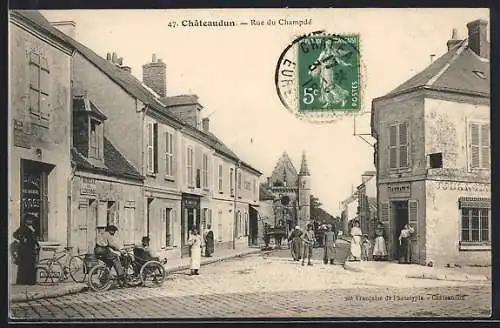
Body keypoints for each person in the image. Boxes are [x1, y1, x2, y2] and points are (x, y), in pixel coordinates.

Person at [309, 38, 352, 108]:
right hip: (323, 71)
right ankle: (328, 102)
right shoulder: (323, 53)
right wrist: (312, 69)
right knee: (324, 87)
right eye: (326, 44)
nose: (327, 45)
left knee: (330, 86)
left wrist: (346, 64)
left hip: (329, 71)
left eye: (329, 44)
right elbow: (318, 61)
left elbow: (339, 61)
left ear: (331, 44)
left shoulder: (333, 52)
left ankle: (343, 98)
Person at [13, 215, 40, 285]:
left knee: (31, 265)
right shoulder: (22, 227)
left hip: (31, 249)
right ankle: (22, 282)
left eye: (31, 220)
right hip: (24, 249)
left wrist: (37, 244)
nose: (30, 221)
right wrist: (22, 239)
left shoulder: (33, 228)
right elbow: (15, 234)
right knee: (24, 266)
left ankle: (31, 281)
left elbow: (34, 238)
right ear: (26, 220)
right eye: (29, 220)